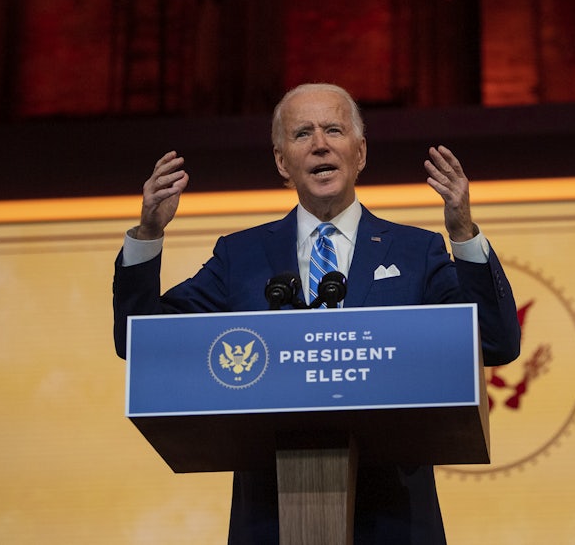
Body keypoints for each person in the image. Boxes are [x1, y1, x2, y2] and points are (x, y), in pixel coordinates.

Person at [113, 82, 521, 544]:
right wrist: (147, 236)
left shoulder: (416, 251)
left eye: (334, 130)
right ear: (282, 161)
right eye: (303, 133)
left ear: (360, 152)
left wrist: (463, 234)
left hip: (394, 520)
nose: (321, 144)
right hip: (272, 519)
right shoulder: (241, 256)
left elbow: (496, 341)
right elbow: (139, 342)